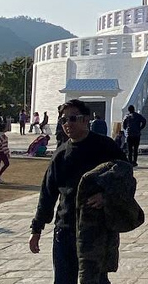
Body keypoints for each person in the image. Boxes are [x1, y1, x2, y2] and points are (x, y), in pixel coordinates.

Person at [29, 99, 127, 284]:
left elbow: (126, 178)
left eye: (73, 118)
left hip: (96, 229)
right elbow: (48, 194)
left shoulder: (105, 147)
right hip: (65, 229)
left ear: (86, 119)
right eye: (63, 120)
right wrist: (37, 228)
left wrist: (106, 196)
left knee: (95, 280)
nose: (68, 124)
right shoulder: (61, 154)